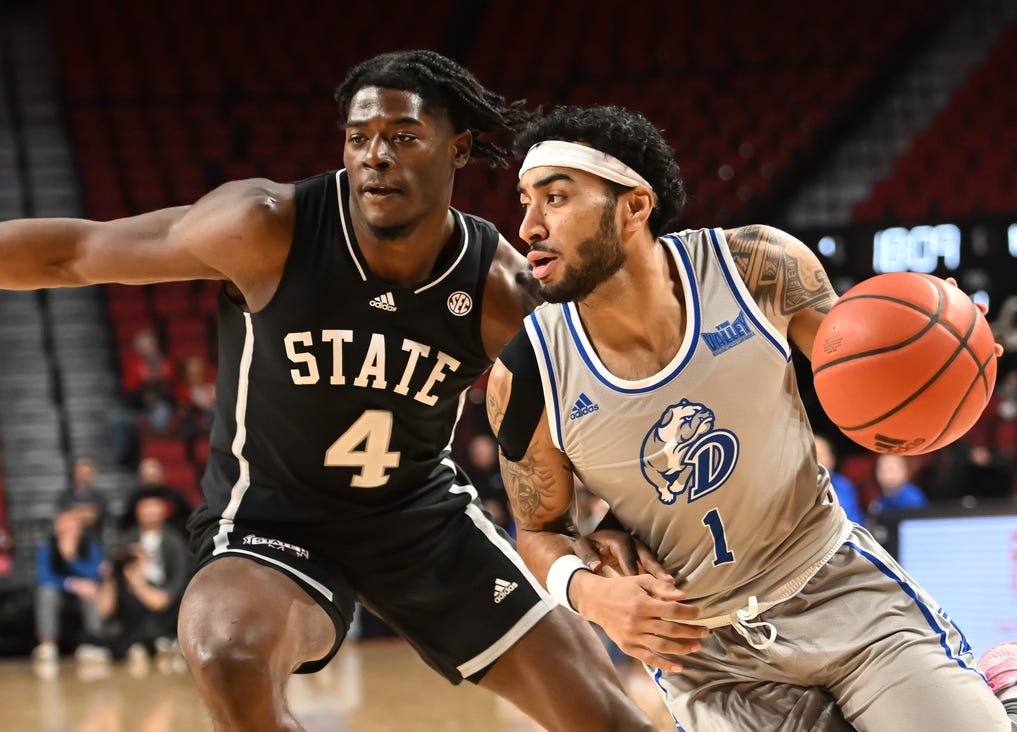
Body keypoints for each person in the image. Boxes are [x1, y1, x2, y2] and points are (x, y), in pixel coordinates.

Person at [0, 52, 656, 732]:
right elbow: (76, 252)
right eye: (358, 135)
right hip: (271, 519)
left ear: (457, 148)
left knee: (611, 720)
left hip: (420, 521)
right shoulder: (265, 228)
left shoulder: (501, 289)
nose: (375, 155)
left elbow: (602, 415)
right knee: (225, 651)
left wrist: (614, 524)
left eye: (403, 136)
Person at [486, 104, 1017, 731]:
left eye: (555, 198)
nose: (528, 225)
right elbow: (537, 528)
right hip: (708, 656)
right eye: (525, 201)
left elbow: (863, 375)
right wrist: (591, 594)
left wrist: (933, 352)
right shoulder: (528, 375)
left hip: (838, 588)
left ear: (634, 207)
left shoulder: (756, 269)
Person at [95, 485, 192, 663]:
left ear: (163, 509)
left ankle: (148, 642)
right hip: (131, 609)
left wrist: (139, 581)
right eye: (145, 506)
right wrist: (113, 573)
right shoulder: (124, 542)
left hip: (164, 610)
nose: (150, 512)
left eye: (154, 506)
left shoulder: (175, 543)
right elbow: (104, 609)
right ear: (137, 510)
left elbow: (163, 601)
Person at [32, 504, 106, 676]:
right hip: (60, 589)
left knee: (92, 591)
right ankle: (48, 644)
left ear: (79, 529)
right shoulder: (47, 546)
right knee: (45, 593)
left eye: (71, 525)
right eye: (62, 525)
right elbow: (44, 576)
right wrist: (71, 583)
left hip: (85, 591)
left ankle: (93, 643)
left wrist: (72, 560)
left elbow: (96, 572)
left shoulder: (91, 544)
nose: (66, 529)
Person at [813, 433, 864, 525]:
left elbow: (852, 522)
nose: (816, 460)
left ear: (832, 459)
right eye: (811, 455)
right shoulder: (793, 486)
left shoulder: (844, 486)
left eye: (820, 455)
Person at [866, 453, 927, 519]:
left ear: (904, 471)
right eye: (882, 469)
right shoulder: (878, 501)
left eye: (891, 469)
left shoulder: (912, 497)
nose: (886, 474)